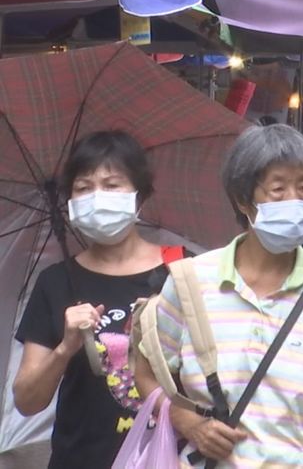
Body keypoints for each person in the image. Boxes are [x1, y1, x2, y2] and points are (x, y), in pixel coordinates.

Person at [133, 124, 303, 467]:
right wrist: (188, 422)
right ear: (243, 199)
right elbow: (147, 374)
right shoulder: (190, 283)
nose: (294, 199)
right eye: (278, 189)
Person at [13, 131, 177, 468]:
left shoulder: (181, 271)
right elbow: (27, 401)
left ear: (139, 195)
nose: (97, 197)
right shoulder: (55, 282)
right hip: (79, 459)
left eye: (112, 184)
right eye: (84, 187)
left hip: (164, 458)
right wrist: (65, 348)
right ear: (70, 202)